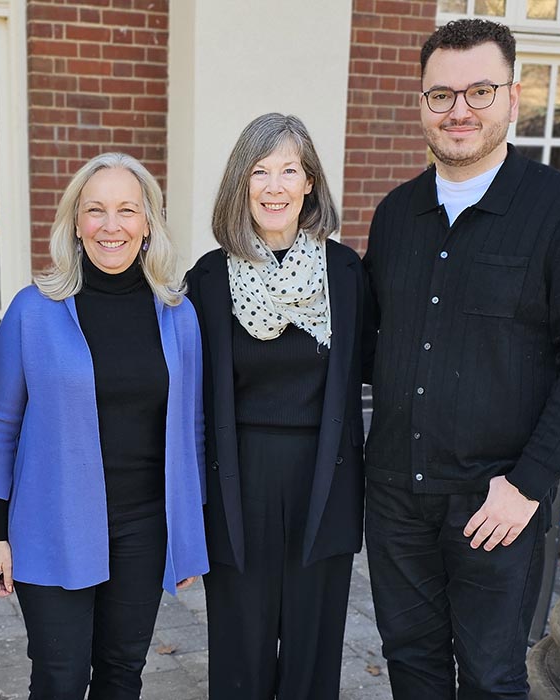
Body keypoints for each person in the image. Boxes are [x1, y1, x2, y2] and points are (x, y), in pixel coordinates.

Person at [362, 19, 560, 699]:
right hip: (397, 498)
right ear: (421, 103)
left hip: (497, 503)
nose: (459, 111)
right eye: (441, 94)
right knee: (411, 663)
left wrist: (529, 484)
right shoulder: (395, 215)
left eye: (479, 91)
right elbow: (369, 344)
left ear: (513, 99)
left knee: (491, 676)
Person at [0, 152, 208, 700]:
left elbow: (192, 431)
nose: (111, 226)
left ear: (148, 222)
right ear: (75, 223)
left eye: (127, 210)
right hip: (51, 523)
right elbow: (1, 428)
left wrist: (189, 532)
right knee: (60, 678)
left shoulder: (178, 313)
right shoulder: (33, 311)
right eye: (95, 210)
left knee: (122, 673)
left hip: (144, 527)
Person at [186, 113, 372, 700]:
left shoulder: (346, 273)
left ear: (309, 181)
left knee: (315, 651)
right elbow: (192, 398)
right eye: (259, 171)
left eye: (289, 169)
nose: (274, 185)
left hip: (325, 478)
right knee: (240, 648)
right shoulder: (211, 279)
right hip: (239, 485)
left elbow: (369, 368)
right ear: (241, 184)